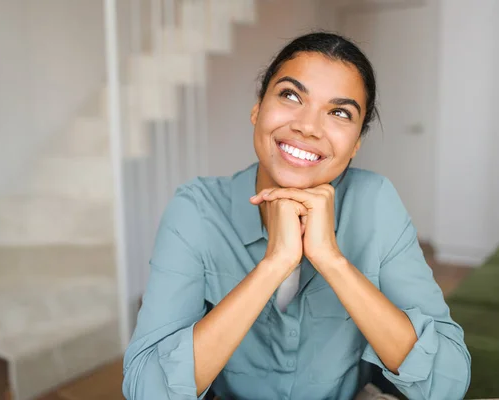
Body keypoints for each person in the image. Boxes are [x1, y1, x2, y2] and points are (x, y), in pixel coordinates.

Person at [122, 32, 471, 400]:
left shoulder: (375, 201)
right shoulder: (197, 209)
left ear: (355, 144)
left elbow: (447, 382)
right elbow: (147, 390)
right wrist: (274, 265)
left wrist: (332, 261)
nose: (307, 126)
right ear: (258, 108)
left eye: (339, 112)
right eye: (291, 95)